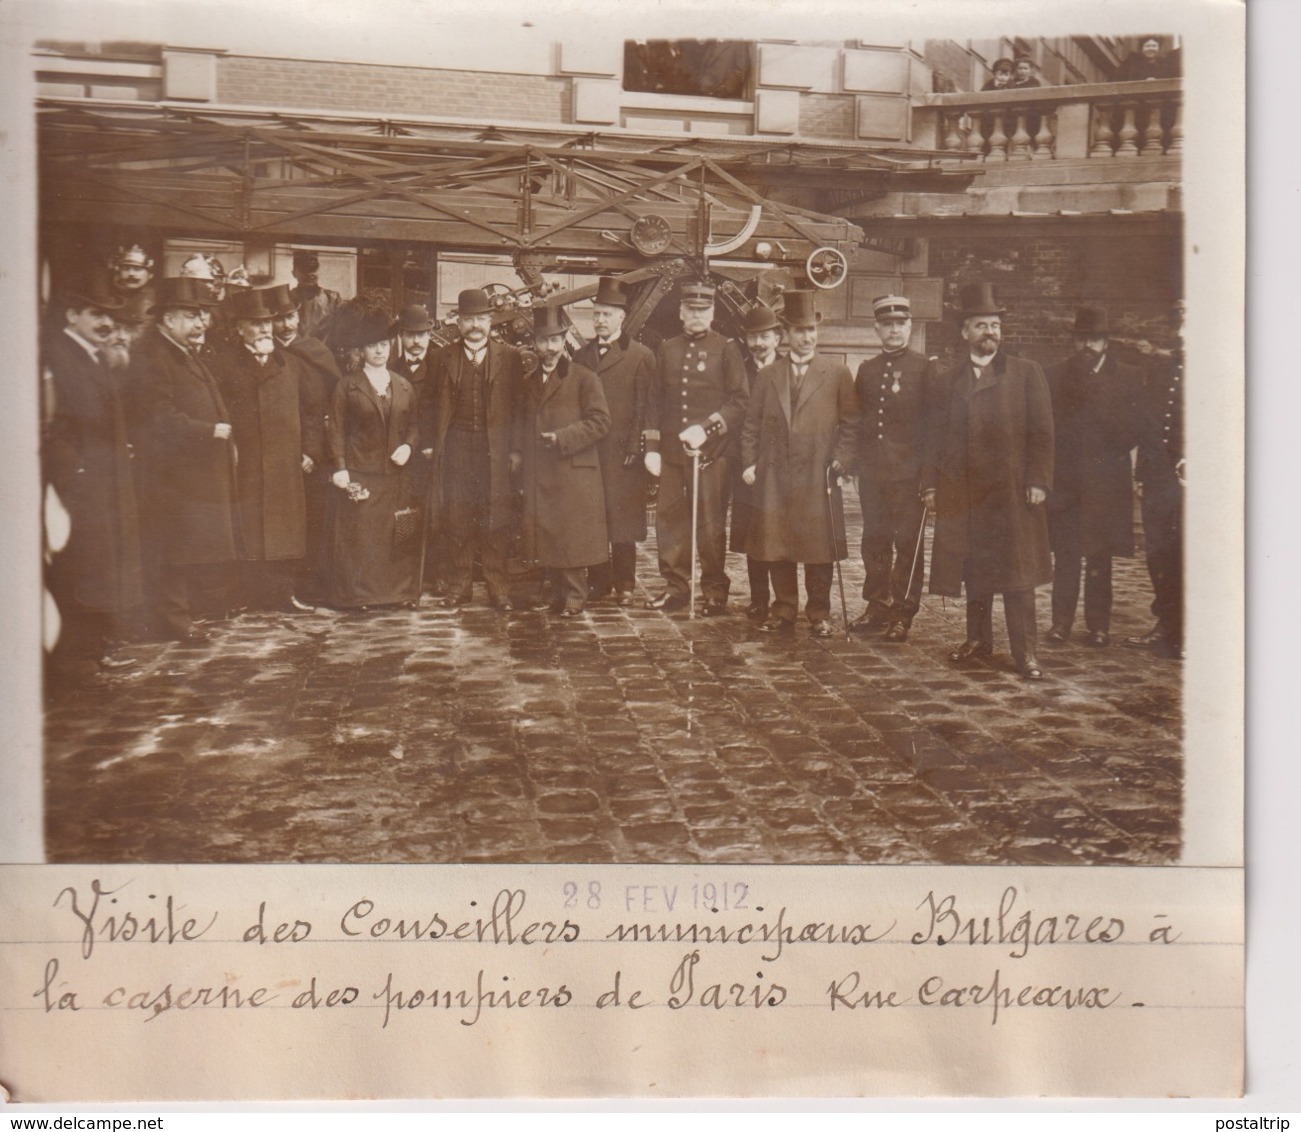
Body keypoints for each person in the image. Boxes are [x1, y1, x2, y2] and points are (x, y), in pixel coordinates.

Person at [925, 282, 1054, 680]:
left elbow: (1042, 432)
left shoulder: (1025, 373)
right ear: (964, 332)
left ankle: (1025, 652)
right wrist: (930, 485)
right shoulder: (949, 380)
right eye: (980, 325)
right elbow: (934, 436)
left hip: (1012, 492)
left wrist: (1038, 480)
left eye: (994, 325)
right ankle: (978, 640)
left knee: (1018, 574)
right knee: (974, 569)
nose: (989, 333)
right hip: (966, 493)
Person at [739, 290, 857, 638]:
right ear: (786, 334)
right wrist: (750, 463)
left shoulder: (836, 373)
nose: (807, 337)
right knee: (778, 545)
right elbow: (751, 426)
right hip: (775, 474)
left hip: (818, 473)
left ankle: (818, 613)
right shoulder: (767, 376)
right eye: (800, 330)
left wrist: (841, 460)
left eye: (812, 330)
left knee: (819, 548)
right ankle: (784, 610)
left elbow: (852, 424)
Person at [42, 281, 144, 679]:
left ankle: (95, 647)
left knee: (101, 562)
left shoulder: (93, 358)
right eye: (96, 314)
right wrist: (76, 473)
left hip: (106, 479)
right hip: (81, 485)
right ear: (72, 316)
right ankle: (74, 658)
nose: (106, 323)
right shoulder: (58, 357)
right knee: (80, 564)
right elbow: (56, 425)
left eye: (110, 316)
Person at [132, 276, 239, 642]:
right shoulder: (154, 357)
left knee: (185, 546)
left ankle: (182, 618)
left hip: (192, 472)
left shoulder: (181, 351)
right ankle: (173, 623)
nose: (200, 323)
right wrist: (207, 430)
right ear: (167, 319)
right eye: (191, 315)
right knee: (172, 549)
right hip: (171, 474)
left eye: (202, 315)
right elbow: (156, 418)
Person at [643, 281, 748, 615]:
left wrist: (707, 429)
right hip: (673, 454)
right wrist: (653, 447)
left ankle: (715, 590)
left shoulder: (727, 348)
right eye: (691, 310)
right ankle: (676, 587)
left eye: (704, 310)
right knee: (670, 520)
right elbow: (654, 401)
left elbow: (740, 400)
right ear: (681, 312)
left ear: (713, 312)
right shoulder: (667, 349)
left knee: (709, 523)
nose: (697, 316)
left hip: (710, 454)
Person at [214, 286, 318, 615]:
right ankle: (248, 595)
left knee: (285, 529)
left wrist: (310, 451)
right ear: (239, 328)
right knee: (249, 528)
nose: (263, 330)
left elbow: (312, 412)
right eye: (255, 324)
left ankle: (284, 594)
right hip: (246, 464)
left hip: (286, 464)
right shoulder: (224, 367)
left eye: (267, 323)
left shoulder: (291, 365)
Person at [1045, 306, 1143, 647]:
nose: (1089, 345)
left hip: (1106, 481)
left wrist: (1105, 442)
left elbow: (1135, 428)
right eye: (1083, 338)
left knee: (1100, 557)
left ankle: (1099, 625)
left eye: (1096, 339)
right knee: (1067, 555)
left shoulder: (1128, 377)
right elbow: (1048, 427)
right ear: (1075, 341)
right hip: (1067, 480)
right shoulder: (1055, 375)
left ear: (1107, 342)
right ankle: (1061, 622)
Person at [422, 288, 525, 611]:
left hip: (496, 448)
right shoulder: (441, 357)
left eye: (480, 319)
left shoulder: (509, 357)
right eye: (468, 320)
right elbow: (427, 405)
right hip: (457, 447)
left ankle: (499, 588)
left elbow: (519, 408)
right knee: (458, 517)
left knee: (496, 518)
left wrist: (516, 450)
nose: (475, 325)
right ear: (459, 322)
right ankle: (460, 585)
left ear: (490, 321)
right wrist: (431, 445)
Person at [850, 294, 945, 642]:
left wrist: (929, 476)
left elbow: (934, 428)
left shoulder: (925, 368)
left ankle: (902, 613)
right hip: (873, 474)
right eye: (886, 324)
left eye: (899, 324)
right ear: (877, 328)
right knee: (874, 541)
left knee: (908, 544)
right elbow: (859, 422)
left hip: (909, 475)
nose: (893, 330)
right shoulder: (867, 370)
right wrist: (856, 464)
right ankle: (876, 606)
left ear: (909, 327)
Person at [513, 304, 611, 617]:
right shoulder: (528, 381)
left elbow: (600, 421)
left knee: (571, 534)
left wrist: (563, 437)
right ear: (534, 344)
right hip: (541, 469)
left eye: (555, 340)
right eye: (543, 341)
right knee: (548, 532)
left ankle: (575, 595)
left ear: (564, 340)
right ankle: (556, 593)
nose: (549, 348)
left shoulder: (584, 377)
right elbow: (519, 423)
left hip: (572, 468)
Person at [325, 297, 420, 610]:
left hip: (395, 475)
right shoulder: (347, 386)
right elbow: (336, 429)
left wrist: (408, 446)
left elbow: (414, 425)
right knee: (362, 536)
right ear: (360, 350)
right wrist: (340, 467)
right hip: (362, 473)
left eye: (384, 345)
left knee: (395, 533)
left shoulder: (403, 385)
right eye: (372, 346)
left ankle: (398, 592)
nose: (380, 351)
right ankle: (359, 595)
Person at [572, 276, 654, 606]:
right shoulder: (580, 356)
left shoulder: (640, 355)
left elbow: (647, 405)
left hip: (623, 451)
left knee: (622, 519)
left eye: (607, 314)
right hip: (590, 450)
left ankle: (625, 583)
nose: (601, 321)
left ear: (621, 317)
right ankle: (598, 581)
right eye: (597, 315)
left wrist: (637, 446)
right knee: (593, 516)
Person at [268, 282, 339, 605]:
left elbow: (326, 405)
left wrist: (312, 451)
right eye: (277, 319)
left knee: (313, 519)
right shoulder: (263, 352)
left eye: (289, 317)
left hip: (316, 452)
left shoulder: (315, 350)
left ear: (298, 316)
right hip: (277, 452)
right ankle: (280, 589)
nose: (284, 325)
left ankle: (312, 586)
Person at [1125, 303, 1184, 659]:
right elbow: (1150, 426)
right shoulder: (1162, 370)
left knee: (1190, 552)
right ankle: (1166, 623)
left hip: (1198, 478)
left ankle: (1190, 628)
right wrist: (1143, 472)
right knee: (1159, 551)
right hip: (1161, 477)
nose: (1181, 334)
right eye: (1179, 325)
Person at [732, 302, 782, 621]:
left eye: (764, 336)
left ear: (778, 337)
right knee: (753, 532)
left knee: (777, 530)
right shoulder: (740, 369)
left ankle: (784, 599)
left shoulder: (789, 369)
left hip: (780, 465)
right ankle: (758, 598)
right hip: (747, 463)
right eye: (752, 337)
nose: (759, 344)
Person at [289, 250, 343, 341]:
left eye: (313, 269)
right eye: (304, 270)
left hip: (325, 353)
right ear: (294, 273)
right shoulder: (287, 298)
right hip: (294, 353)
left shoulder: (333, 299)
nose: (310, 274)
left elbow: (341, 332)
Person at [106, 244, 155, 336]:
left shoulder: (155, 302)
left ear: (150, 275)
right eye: (126, 268)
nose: (131, 274)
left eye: (137, 269)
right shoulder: (111, 297)